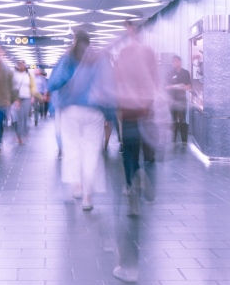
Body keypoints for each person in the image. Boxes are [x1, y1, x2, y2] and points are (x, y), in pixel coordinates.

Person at [48, 30, 115, 210]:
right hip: (94, 111)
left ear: (75, 39)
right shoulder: (100, 59)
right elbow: (109, 87)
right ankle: (87, 197)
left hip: (70, 110)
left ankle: (77, 186)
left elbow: (53, 83)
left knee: (72, 149)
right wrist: (110, 115)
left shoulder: (68, 57)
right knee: (92, 152)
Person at [116, 22, 160, 214]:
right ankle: (137, 181)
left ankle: (130, 183)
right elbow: (155, 80)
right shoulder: (148, 53)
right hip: (142, 109)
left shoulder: (125, 54)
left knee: (130, 151)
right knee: (139, 149)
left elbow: (116, 80)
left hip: (129, 110)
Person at [167, 55, 191, 146]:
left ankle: (184, 141)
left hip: (182, 101)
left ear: (180, 62)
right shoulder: (169, 73)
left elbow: (189, 86)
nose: (174, 63)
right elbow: (166, 87)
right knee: (173, 120)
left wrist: (182, 87)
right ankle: (173, 141)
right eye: (173, 62)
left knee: (182, 120)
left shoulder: (185, 73)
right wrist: (175, 86)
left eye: (176, 61)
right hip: (172, 100)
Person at [12, 60, 35, 145]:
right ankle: (19, 136)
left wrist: (32, 96)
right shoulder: (14, 75)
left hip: (27, 98)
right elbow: (13, 88)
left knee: (25, 117)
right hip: (18, 98)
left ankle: (24, 132)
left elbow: (32, 86)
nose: (22, 66)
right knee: (19, 118)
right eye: (20, 65)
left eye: (23, 64)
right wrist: (15, 99)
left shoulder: (29, 74)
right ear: (17, 66)